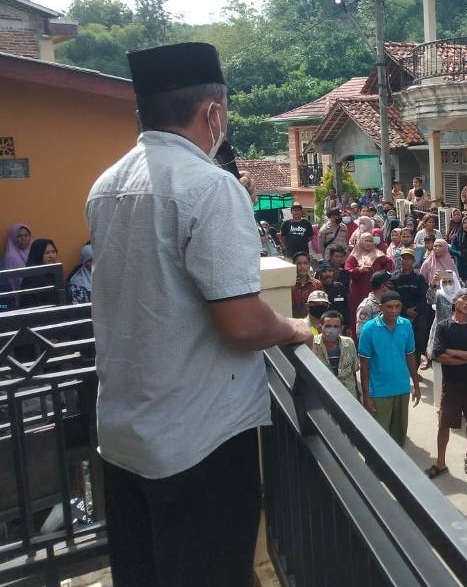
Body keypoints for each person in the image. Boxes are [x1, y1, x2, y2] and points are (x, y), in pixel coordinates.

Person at [84, 41, 311, 587]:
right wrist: (294, 327)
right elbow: (241, 323)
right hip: (197, 445)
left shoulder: (106, 184)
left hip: (123, 435)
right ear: (213, 113)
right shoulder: (211, 187)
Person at [426, 288, 467, 479]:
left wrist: (453, 352)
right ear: (455, 301)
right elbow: (439, 356)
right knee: (444, 423)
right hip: (450, 383)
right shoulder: (443, 326)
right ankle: (440, 462)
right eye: (464, 299)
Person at [358, 290, 421, 446]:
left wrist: (416, 385)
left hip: (402, 388)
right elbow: (364, 364)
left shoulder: (406, 325)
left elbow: (410, 355)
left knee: (399, 436)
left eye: (397, 307)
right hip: (379, 392)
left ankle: (396, 469)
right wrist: (366, 396)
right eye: (389, 307)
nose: (393, 310)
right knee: (378, 438)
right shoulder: (369, 329)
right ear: (381, 307)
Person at [391, 247, 431, 372]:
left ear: (413, 260)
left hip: (418, 316)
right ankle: (403, 371)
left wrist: (415, 311)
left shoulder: (419, 278)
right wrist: (405, 310)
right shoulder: (395, 278)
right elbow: (393, 297)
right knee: (400, 343)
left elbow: (424, 296)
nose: (406, 261)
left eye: (409, 259)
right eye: (404, 259)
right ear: (400, 260)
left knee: (417, 344)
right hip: (400, 315)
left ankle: (415, 371)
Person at [312, 310, 359, 400]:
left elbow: (354, 370)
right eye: (328, 326)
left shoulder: (349, 343)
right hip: (323, 396)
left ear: (341, 329)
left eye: (336, 326)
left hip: (348, 396)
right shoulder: (312, 344)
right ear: (320, 327)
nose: (331, 330)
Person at [345, 232, 393, 314]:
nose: (368, 243)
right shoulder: (354, 255)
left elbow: (389, 263)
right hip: (359, 288)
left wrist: (382, 275)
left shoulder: (378, 254)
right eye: (366, 241)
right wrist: (359, 270)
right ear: (360, 241)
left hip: (376, 288)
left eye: (370, 241)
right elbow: (348, 268)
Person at [19, 238, 61, 308]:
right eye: (47, 253)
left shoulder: (55, 272)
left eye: (53, 252)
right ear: (38, 254)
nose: (51, 256)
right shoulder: (32, 277)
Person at [356, 270, 391, 335]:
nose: (392, 286)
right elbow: (361, 333)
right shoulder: (366, 306)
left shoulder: (389, 302)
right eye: (390, 284)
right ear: (383, 286)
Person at [290, 251, 320, 319]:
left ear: (309, 265)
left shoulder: (316, 284)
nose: (302, 266)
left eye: (305, 263)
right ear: (294, 265)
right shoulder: (289, 285)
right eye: (299, 263)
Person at [3, 222, 32, 289]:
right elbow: (13, 282)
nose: (23, 239)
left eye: (26, 235)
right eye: (19, 236)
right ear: (13, 237)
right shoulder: (10, 257)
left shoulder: (33, 251)